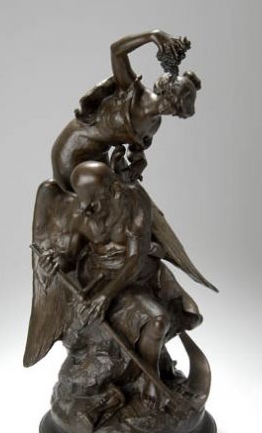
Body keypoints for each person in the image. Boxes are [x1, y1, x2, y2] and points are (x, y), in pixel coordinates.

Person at [35, 161, 201, 409]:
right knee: (152, 321)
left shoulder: (134, 203)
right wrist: (54, 262)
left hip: (134, 278)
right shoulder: (82, 210)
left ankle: (150, 378)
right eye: (82, 199)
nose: (86, 208)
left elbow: (135, 258)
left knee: (162, 320)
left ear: (113, 190)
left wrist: (106, 296)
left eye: (94, 200)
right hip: (98, 279)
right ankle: (142, 378)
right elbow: (70, 256)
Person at [51, 30, 201, 191]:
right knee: (98, 198)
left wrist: (140, 163)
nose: (169, 108)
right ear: (164, 88)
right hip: (73, 149)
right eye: (170, 100)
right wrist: (152, 36)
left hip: (100, 160)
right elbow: (116, 51)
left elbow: (136, 151)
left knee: (125, 196)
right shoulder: (131, 90)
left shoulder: (153, 124)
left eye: (176, 109)